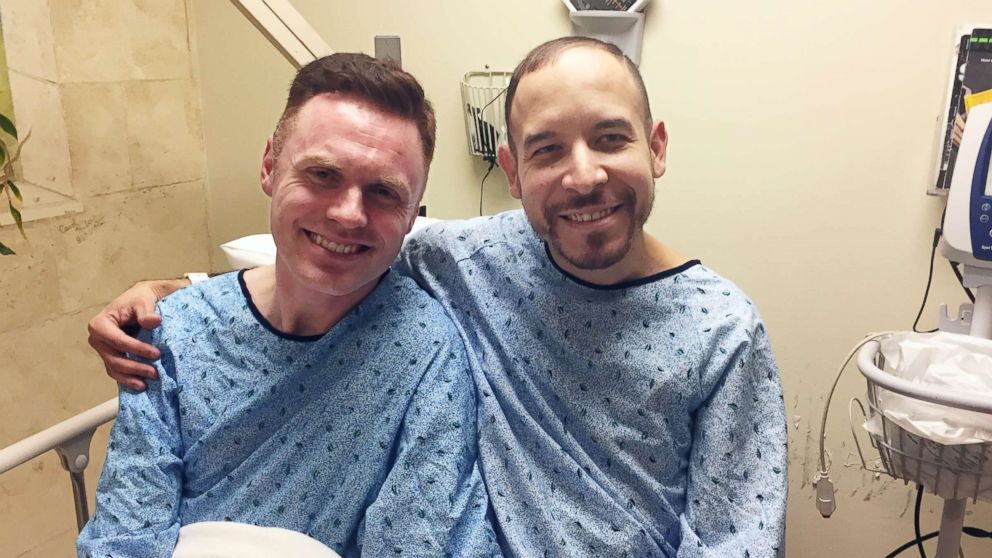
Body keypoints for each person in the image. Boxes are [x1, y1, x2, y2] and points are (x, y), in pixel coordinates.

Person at [89, 37, 788, 557]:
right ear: (511, 172)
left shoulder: (722, 332)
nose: (583, 177)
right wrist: (175, 295)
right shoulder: (464, 258)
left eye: (611, 138)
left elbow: (741, 541)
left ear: (657, 146)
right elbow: (327, 254)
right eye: (547, 151)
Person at [77, 53, 500, 558]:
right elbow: (126, 535)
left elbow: (418, 540)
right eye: (322, 174)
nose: (348, 214)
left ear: (412, 215)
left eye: (384, 192)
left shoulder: (427, 353)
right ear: (269, 166)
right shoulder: (174, 333)